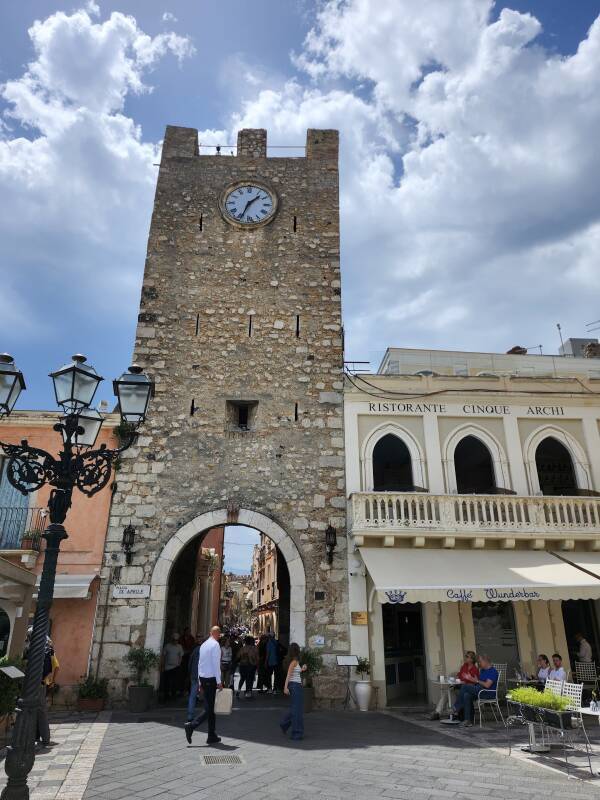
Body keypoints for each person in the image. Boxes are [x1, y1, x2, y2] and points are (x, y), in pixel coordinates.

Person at [184, 626, 223, 745]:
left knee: (211, 708)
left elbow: (200, 664)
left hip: (204, 678)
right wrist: (219, 681)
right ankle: (191, 726)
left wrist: (200, 683)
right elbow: (216, 665)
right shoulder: (215, 645)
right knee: (209, 709)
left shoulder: (204, 645)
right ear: (217, 634)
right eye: (219, 634)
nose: (219, 636)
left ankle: (212, 735)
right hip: (211, 679)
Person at [448, 654, 498, 727]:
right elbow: (478, 682)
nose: (479, 664)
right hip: (479, 690)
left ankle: (456, 708)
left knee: (465, 687)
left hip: (487, 693)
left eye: (480, 662)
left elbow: (487, 685)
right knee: (466, 695)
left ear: (485, 661)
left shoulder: (493, 671)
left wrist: (476, 681)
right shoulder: (483, 670)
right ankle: (468, 720)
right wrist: (473, 680)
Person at [429, 651, 478, 720]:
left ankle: (453, 712)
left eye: (467, 657)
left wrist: (465, 680)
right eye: (465, 656)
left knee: (450, 692)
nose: (465, 658)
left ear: (472, 659)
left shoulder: (475, 669)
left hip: (466, 689)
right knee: (448, 692)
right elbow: (459, 675)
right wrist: (457, 679)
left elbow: (474, 683)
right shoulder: (464, 666)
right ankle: (438, 712)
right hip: (459, 686)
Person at [280, 642, 306, 741]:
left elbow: (295, 673)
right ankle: (296, 733)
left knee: (295, 709)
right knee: (297, 711)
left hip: (296, 686)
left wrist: (302, 669)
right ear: (297, 651)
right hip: (295, 687)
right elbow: (289, 675)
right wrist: (285, 687)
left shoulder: (295, 661)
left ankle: (284, 724)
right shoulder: (293, 662)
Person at [161, 632, 183, 702]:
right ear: (172, 639)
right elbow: (163, 656)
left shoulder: (179, 646)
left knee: (175, 682)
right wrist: (162, 665)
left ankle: (173, 695)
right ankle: (166, 695)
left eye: (176, 640)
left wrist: (179, 663)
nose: (175, 641)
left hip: (176, 667)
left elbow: (180, 655)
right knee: (167, 682)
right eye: (174, 640)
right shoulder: (167, 646)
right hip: (167, 667)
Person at [186, 634, 203, 722]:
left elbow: (190, 661)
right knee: (207, 695)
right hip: (203, 676)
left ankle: (190, 715)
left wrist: (190, 673)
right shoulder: (206, 650)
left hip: (194, 674)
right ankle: (205, 714)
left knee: (192, 695)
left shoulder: (195, 649)